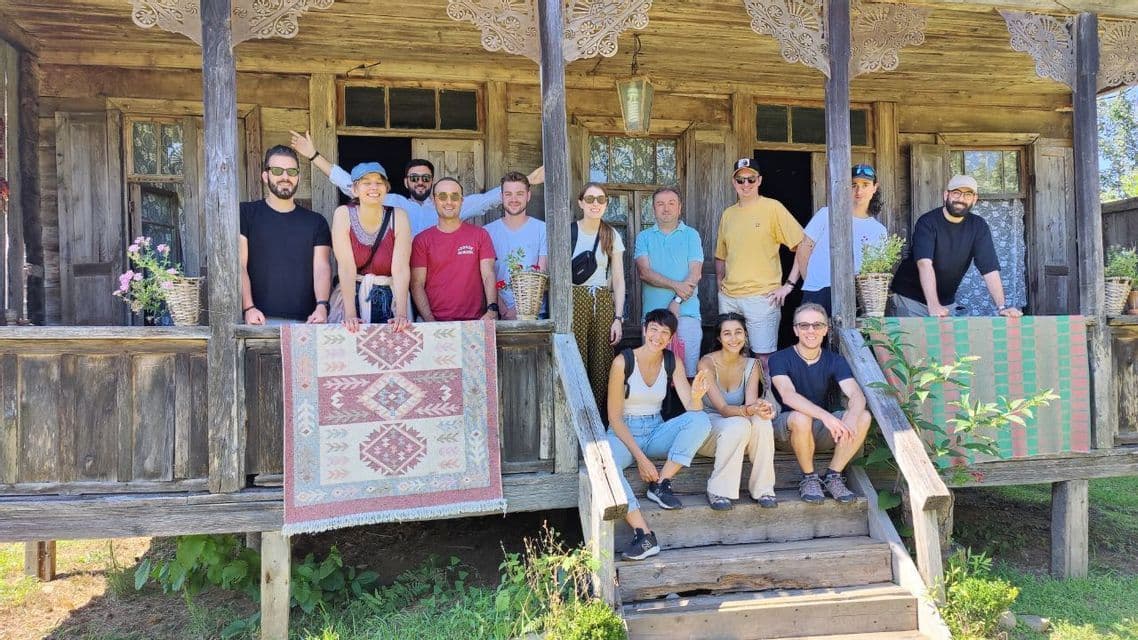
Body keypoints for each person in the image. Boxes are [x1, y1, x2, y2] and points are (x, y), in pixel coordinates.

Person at [289, 131, 544, 237]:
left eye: (425, 178)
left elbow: (489, 199)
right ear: (405, 181)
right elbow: (350, 185)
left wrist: (530, 181)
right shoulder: (394, 202)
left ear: (432, 182)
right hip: (401, 272)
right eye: (415, 178)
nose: (420, 182)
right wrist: (314, 156)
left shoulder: (449, 205)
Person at [606, 309, 713, 560]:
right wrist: (641, 459)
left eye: (665, 332)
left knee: (702, 420)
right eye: (654, 329)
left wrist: (697, 395)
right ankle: (644, 535)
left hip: (655, 428)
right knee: (607, 466)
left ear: (671, 337)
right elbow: (614, 418)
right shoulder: (623, 362)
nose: (658, 336)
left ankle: (661, 483)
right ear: (644, 330)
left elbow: (692, 408)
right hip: (624, 432)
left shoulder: (671, 360)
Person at [769, 303, 871, 504]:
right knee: (801, 416)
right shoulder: (779, 358)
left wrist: (850, 417)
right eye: (804, 325)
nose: (810, 330)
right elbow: (788, 396)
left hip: (819, 431)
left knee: (864, 416)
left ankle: (833, 476)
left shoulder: (835, 360)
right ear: (795, 330)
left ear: (826, 329)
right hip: (785, 431)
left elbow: (856, 394)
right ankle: (809, 478)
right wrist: (826, 416)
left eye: (817, 325)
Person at [889, 174, 1023, 318]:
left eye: (967, 194)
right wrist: (933, 304)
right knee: (909, 341)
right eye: (956, 193)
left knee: (946, 341)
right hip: (910, 299)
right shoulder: (927, 222)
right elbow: (924, 264)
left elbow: (989, 269)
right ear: (946, 195)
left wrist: (1002, 307)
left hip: (945, 304)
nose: (961, 199)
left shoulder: (978, 226)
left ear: (974, 199)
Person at [715, 158, 805, 367]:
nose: (746, 184)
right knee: (733, 356)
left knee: (764, 358)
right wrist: (719, 282)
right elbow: (721, 254)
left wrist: (789, 285)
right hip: (730, 298)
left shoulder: (773, 208)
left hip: (762, 297)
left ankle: (768, 399)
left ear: (760, 180)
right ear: (733, 182)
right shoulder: (728, 214)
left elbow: (803, 244)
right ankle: (744, 400)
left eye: (751, 179)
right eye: (740, 180)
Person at [240, 145, 332, 325]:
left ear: (298, 176)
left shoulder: (316, 222)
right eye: (277, 170)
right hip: (259, 321)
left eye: (291, 171)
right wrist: (248, 308)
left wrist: (322, 306)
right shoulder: (246, 214)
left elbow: (322, 267)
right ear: (265, 176)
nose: (285, 177)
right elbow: (239, 265)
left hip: (307, 323)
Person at [696, 313, 779, 510]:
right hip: (708, 425)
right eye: (727, 334)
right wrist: (749, 409)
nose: (734, 339)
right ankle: (718, 489)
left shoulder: (751, 364)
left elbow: (749, 406)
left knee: (762, 422)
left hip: (737, 423)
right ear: (719, 338)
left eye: (738, 332)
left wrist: (762, 408)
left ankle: (764, 488)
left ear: (746, 335)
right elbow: (723, 409)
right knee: (739, 423)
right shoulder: (706, 363)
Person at [795, 163, 889, 316]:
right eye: (853, 185)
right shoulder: (826, 214)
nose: (859, 191)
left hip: (856, 296)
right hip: (819, 291)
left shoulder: (879, 231)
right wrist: (810, 281)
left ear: (874, 187)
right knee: (812, 337)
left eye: (865, 185)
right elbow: (804, 247)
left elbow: (876, 270)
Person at [330, 161, 412, 333]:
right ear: (355, 189)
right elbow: (346, 266)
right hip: (352, 296)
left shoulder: (399, 216)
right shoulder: (343, 214)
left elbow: (401, 268)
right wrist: (350, 314)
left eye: (379, 182)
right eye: (366, 182)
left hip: (390, 298)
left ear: (386, 187)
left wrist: (402, 313)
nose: (374, 187)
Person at [634, 187, 703, 373]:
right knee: (654, 374)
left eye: (671, 203)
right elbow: (645, 273)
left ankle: (685, 404)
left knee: (687, 374)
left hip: (687, 316)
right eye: (660, 204)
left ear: (679, 207)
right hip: (653, 320)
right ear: (653, 209)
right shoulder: (644, 237)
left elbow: (695, 274)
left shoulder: (691, 235)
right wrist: (676, 286)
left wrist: (677, 301)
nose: (666, 208)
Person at [410, 178, 499, 321]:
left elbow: (488, 274)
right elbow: (416, 283)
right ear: (434, 200)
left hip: (476, 321)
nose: (449, 202)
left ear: (462, 200)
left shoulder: (480, 235)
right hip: (434, 322)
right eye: (443, 196)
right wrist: (430, 320)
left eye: (455, 196)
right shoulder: (422, 240)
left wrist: (492, 310)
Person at [572, 183, 627, 411]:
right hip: (574, 301)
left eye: (601, 199)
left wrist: (618, 318)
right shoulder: (569, 231)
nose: (596, 204)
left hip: (602, 303)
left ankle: (601, 420)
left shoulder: (610, 234)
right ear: (581, 202)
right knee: (576, 361)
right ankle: (575, 418)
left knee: (601, 363)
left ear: (606, 204)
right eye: (590, 199)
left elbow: (618, 279)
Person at [484, 172, 548, 320]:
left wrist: (519, 311)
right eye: (508, 194)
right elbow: (487, 275)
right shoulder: (487, 232)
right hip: (499, 313)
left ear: (528, 196)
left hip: (535, 313)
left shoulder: (542, 229)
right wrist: (501, 308)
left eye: (519, 194)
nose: (514, 199)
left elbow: (541, 273)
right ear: (501, 197)